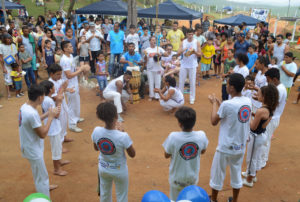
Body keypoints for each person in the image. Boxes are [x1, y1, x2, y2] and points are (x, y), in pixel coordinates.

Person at [208, 73, 252, 202]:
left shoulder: (227, 105)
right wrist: (220, 103)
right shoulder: (247, 101)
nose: (226, 86)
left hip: (225, 146)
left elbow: (214, 121)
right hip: (240, 146)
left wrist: (214, 104)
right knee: (236, 173)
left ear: (232, 88)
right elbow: (232, 110)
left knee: (217, 174)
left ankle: (214, 199)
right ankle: (235, 200)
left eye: (227, 84)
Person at [18, 84, 60, 198]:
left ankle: (44, 187)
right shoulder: (31, 113)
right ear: (40, 97)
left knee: (39, 172)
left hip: (29, 145)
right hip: (33, 148)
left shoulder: (25, 107)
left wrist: (47, 114)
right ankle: (44, 197)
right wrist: (50, 117)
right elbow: (42, 134)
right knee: (42, 176)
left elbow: (35, 120)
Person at [91, 102, 135, 202]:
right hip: (119, 170)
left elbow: (96, 148)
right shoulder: (123, 136)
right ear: (116, 116)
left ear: (99, 117)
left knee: (105, 195)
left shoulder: (96, 131)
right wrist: (122, 132)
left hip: (103, 168)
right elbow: (132, 154)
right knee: (122, 196)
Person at [162, 106, 208, 200]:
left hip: (176, 180)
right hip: (192, 179)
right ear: (194, 122)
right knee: (189, 199)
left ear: (179, 123)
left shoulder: (173, 137)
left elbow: (166, 155)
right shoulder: (201, 135)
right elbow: (203, 151)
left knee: (175, 200)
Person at [242, 84, 279, 187]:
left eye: (259, 94)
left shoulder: (261, 110)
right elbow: (262, 119)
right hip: (262, 135)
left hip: (255, 137)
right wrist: (253, 115)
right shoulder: (270, 109)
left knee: (251, 158)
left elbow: (253, 127)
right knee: (256, 157)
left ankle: (249, 180)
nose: (257, 95)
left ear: (264, 97)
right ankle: (252, 175)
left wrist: (248, 116)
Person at [40, 80, 70, 176]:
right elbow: (56, 115)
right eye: (53, 87)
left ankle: (59, 162)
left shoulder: (45, 99)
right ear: (50, 90)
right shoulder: (48, 100)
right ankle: (57, 169)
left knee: (57, 146)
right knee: (56, 149)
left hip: (53, 126)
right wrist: (59, 102)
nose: (55, 89)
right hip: (53, 128)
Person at [260, 68, 287, 169]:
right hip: (273, 118)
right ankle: (263, 158)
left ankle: (262, 161)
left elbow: (271, 104)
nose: (267, 82)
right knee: (266, 139)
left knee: (265, 140)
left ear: (274, 79)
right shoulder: (278, 87)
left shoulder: (279, 90)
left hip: (272, 118)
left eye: (268, 79)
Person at [60, 41, 86, 132]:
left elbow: (73, 69)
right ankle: (71, 124)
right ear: (65, 49)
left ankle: (76, 117)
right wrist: (81, 70)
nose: (72, 48)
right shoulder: (64, 60)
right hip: (69, 85)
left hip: (74, 83)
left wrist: (78, 69)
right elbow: (69, 75)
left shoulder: (70, 56)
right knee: (71, 104)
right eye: (70, 47)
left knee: (76, 101)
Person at [48, 64, 74, 144]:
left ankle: (64, 136)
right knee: (59, 123)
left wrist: (68, 89)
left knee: (65, 120)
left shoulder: (59, 80)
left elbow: (62, 88)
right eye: (57, 74)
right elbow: (55, 97)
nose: (60, 76)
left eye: (60, 74)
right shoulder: (50, 84)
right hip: (57, 105)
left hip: (63, 103)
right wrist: (63, 89)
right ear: (51, 74)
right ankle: (60, 142)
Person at [177, 29, 201, 104]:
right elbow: (178, 53)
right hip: (184, 64)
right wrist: (183, 50)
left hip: (193, 65)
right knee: (181, 82)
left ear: (193, 34)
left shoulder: (196, 42)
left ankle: (192, 98)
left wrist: (195, 52)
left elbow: (200, 54)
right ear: (186, 34)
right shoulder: (183, 42)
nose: (190, 36)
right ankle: (180, 97)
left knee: (192, 82)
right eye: (189, 34)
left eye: (192, 34)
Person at [144, 36, 167, 101]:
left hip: (158, 68)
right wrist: (146, 56)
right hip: (150, 68)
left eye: (155, 40)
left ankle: (157, 96)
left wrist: (161, 54)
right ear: (150, 41)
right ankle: (151, 95)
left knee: (158, 82)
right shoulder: (147, 50)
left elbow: (165, 54)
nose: (153, 41)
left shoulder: (159, 48)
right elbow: (145, 59)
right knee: (150, 82)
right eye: (152, 40)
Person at [0, 33, 18, 98]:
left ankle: (17, 90)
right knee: (7, 78)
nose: (9, 40)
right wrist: (3, 68)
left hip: (14, 64)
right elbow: (1, 58)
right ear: (4, 39)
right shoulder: (1, 46)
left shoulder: (13, 45)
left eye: (10, 38)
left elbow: (16, 56)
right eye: (8, 38)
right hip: (6, 64)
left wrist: (18, 65)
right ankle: (8, 93)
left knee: (15, 76)